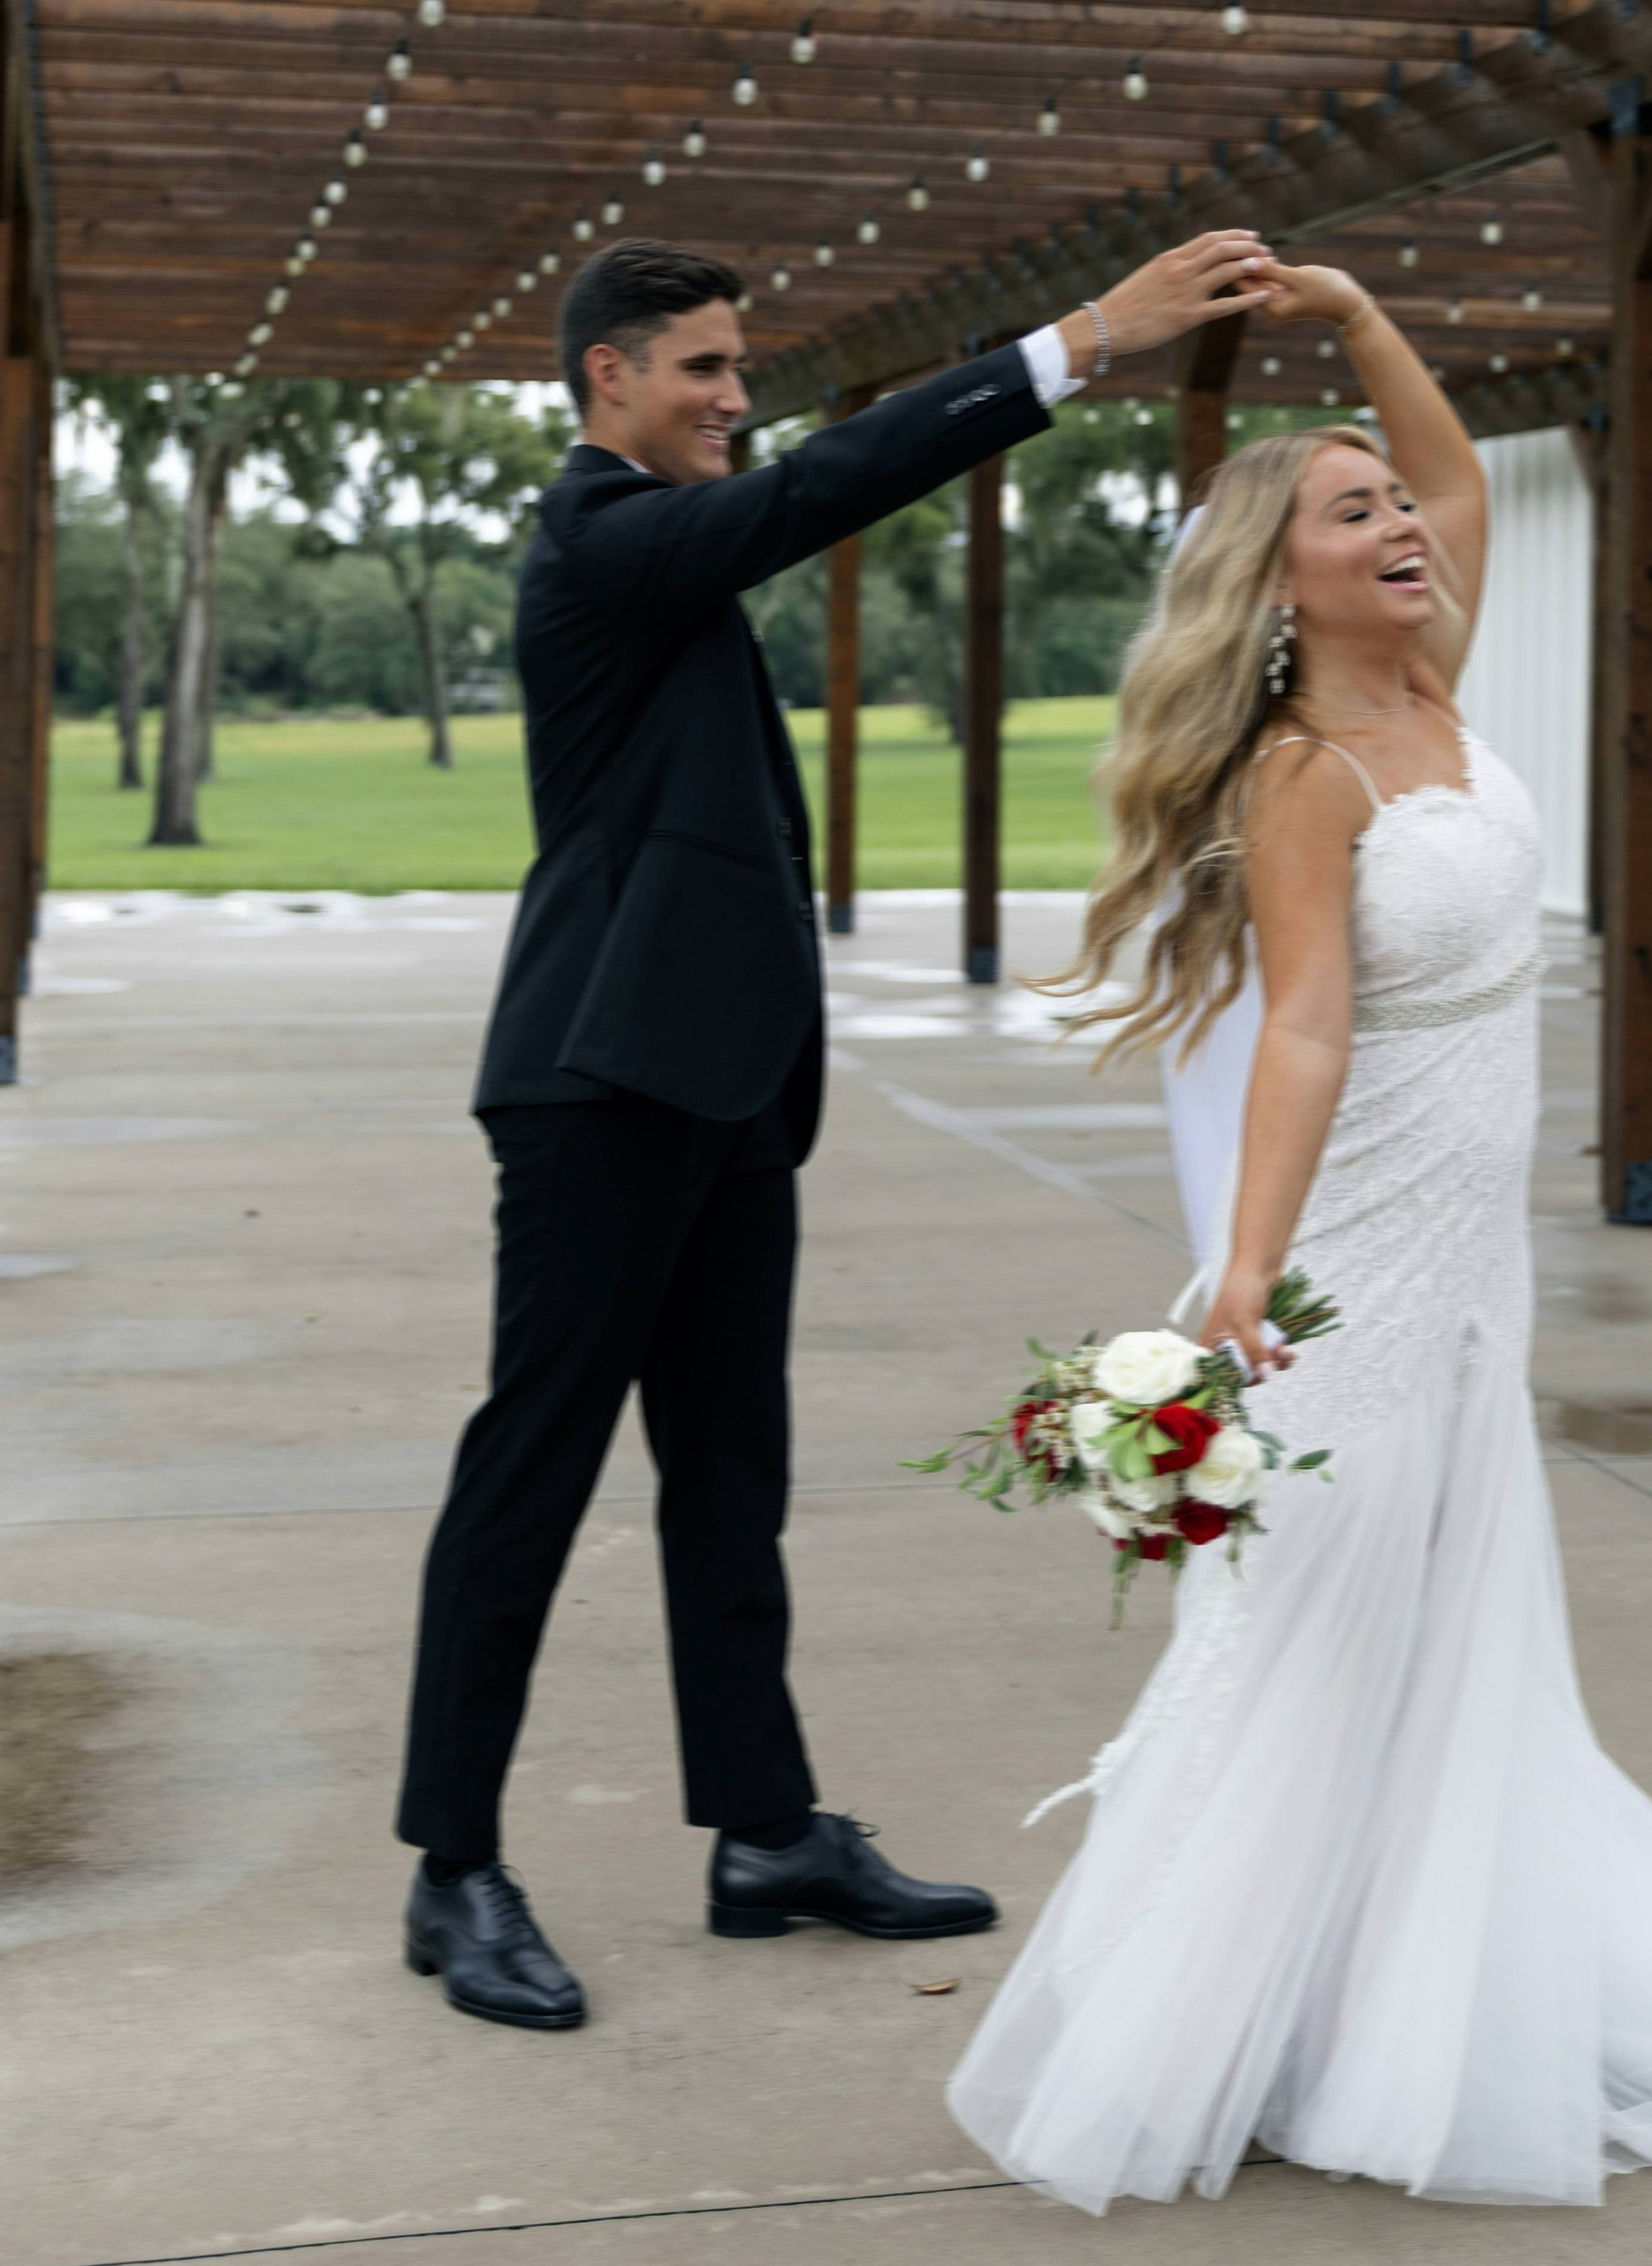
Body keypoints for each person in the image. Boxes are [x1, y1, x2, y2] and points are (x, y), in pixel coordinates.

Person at [946, 257, 1652, 2209]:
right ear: (1280, 583)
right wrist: (1247, 1265)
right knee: (1320, 1619)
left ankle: (1354, 2002)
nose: (1400, 524)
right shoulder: (1304, 775)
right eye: (1353, 515)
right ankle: (1207, 2018)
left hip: (1479, 1251)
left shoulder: (1431, 682)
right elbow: (1305, 1028)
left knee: (1431, 1626)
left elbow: (1460, 474)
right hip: (1372, 1236)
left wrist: (1354, 320)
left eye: (1390, 504)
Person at [396, 232, 1278, 2031]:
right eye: (704, 368)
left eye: (742, 366)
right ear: (608, 380)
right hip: (595, 1088)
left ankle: (765, 1833)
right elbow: (823, 488)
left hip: (724, 1085)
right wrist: (1080, 342)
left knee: (734, 1473)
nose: (737, 397)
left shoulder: (665, 544)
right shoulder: (599, 536)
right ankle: (453, 1868)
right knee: (532, 1472)